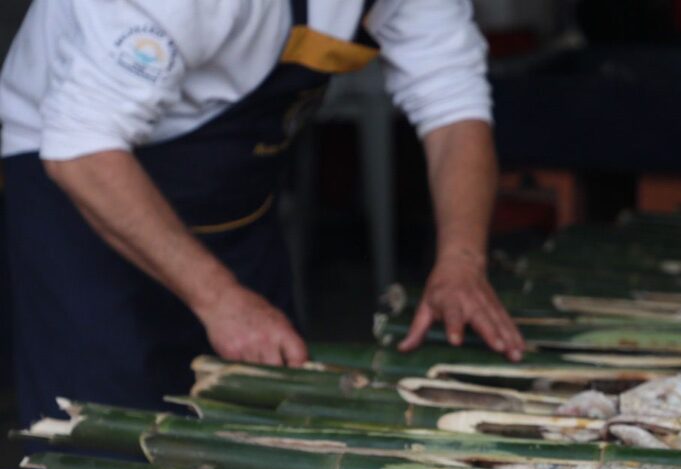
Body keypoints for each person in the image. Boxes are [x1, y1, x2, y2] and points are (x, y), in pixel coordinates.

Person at [0, 0, 525, 428]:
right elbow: (82, 151)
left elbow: (454, 109)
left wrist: (461, 260)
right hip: (84, 191)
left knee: (263, 424)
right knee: (109, 433)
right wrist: (220, 300)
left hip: (230, 201)